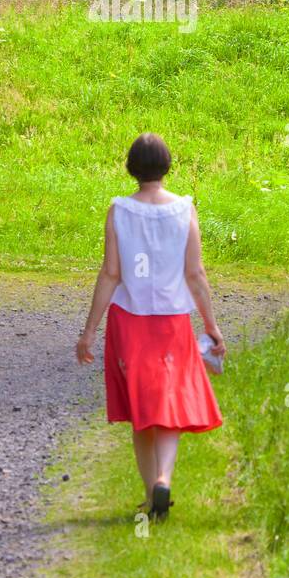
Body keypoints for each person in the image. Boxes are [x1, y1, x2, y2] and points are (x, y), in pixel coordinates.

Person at [75, 133, 226, 520]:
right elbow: (195, 274)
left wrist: (89, 330)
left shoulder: (119, 211)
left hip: (129, 320)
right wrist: (210, 325)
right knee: (170, 406)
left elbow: (111, 274)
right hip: (173, 322)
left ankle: (149, 495)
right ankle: (163, 478)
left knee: (142, 410)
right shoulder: (184, 210)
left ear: (131, 168)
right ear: (167, 166)